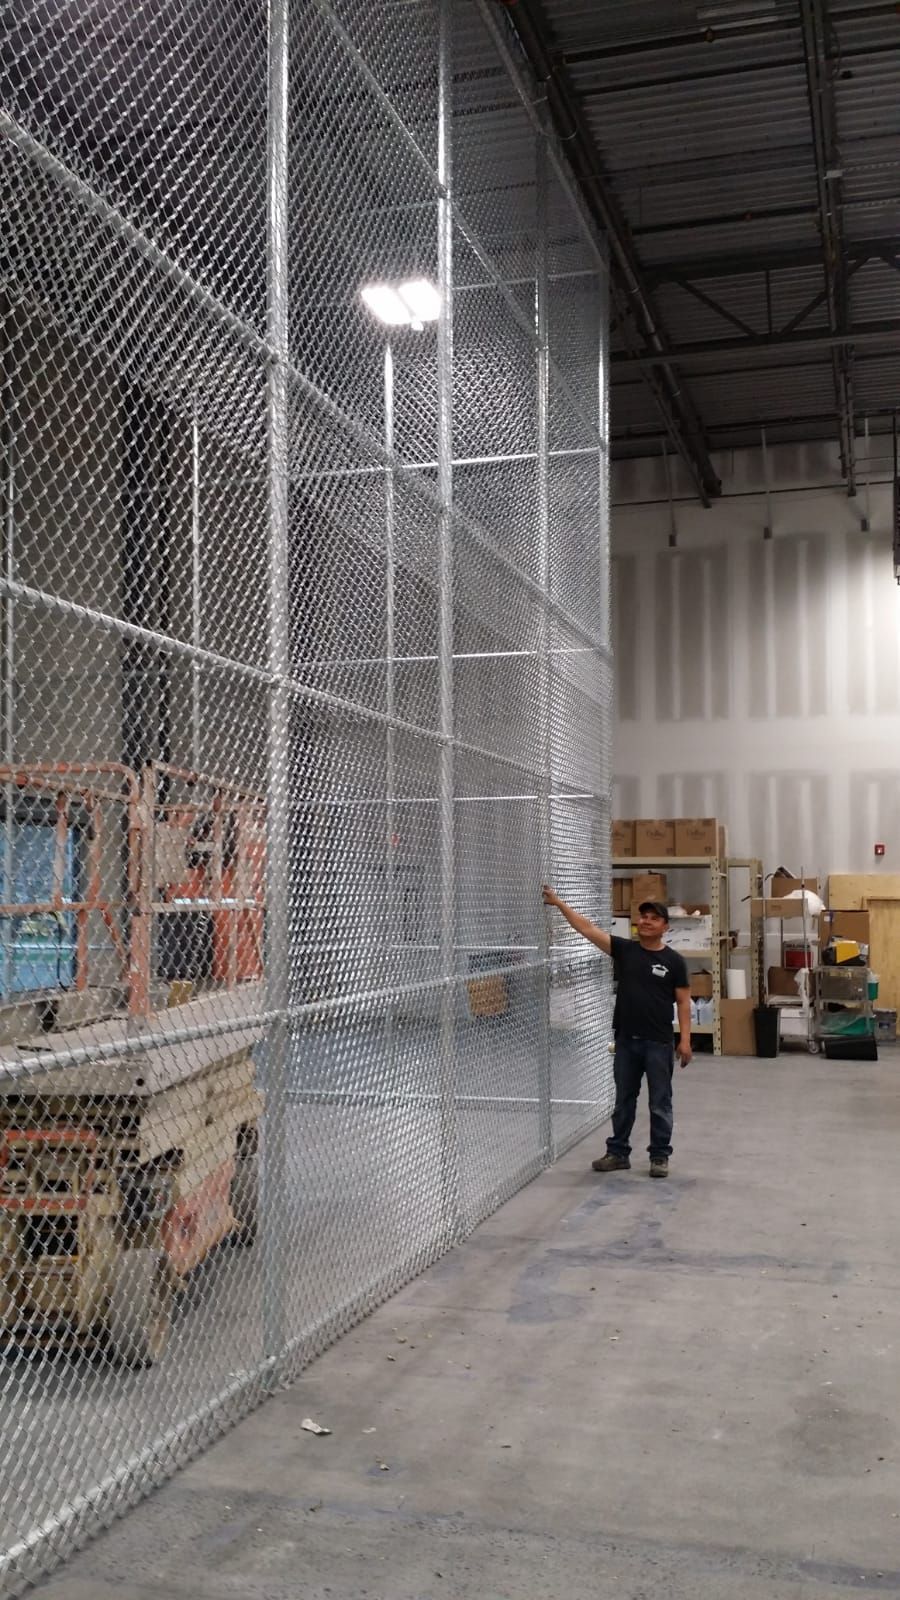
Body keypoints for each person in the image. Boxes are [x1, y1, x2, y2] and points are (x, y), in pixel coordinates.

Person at [542, 888, 692, 1178]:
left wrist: (684, 1041)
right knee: (624, 1099)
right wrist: (560, 903)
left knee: (659, 1102)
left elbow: (684, 1002)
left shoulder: (674, 962)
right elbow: (586, 929)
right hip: (626, 1042)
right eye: (643, 917)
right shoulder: (625, 950)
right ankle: (618, 1152)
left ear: (665, 927)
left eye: (654, 918)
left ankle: (659, 1157)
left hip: (658, 1043)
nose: (646, 922)